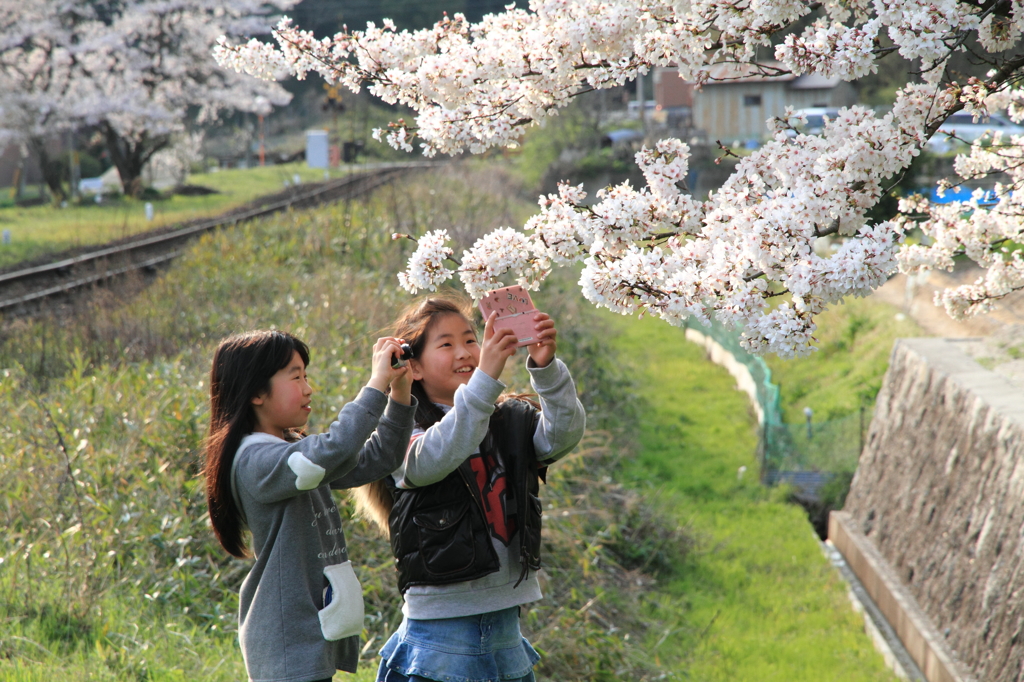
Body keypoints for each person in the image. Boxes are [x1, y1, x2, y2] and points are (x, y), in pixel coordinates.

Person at [353, 295, 586, 682]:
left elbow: (561, 436)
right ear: (414, 366)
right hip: (440, 632)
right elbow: (429, 461)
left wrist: (545, 367)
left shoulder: (508, 417)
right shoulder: (401, 429)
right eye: (446, 344)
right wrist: (485, 381)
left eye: (470, 340)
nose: (464, 352)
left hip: (506, 626)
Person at [203, 329, 418, 682]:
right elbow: (336, 449)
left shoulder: (291, 449)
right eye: (296, 377)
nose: (308, 388)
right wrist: (376, 383)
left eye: (306, 375)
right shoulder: (255, 460)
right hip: (287, 639)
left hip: (308, 629)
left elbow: (380, 458)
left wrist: (399, 393)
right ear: (256, 392)